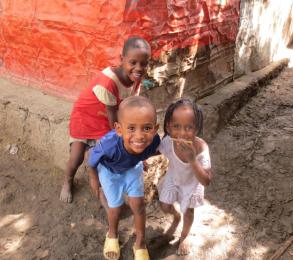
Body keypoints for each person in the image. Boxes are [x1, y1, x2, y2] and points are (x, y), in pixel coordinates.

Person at [59, 36, 151, 203]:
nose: (139, 68)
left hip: (104, 119)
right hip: (85, 119)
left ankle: (103, 182)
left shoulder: (136, 78)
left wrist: (138, 154)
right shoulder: (108, 83)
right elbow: (113, 122)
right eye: (133, 62)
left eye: (143, 64)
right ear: (122, 59)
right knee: (77, 156)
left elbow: (128, 109)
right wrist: (127, 144)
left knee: (105, 152)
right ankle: (68, 180)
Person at [88, 96, 160, 260]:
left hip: (132, 169)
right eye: (132, 128)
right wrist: (94, 179)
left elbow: (148, 149)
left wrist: (142, 158)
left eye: (147, 128)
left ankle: (140, 243)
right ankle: (112, 234)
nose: (140, 135)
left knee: (139, 206)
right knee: (115, 208)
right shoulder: (109, 145)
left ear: (155, 129)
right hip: (109, 172)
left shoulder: (154, 140)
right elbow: (92, 160)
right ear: (119, 129)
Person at [156, 99, 212, 255]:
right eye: (176, 127)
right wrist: (138, 158)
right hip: (173, 179)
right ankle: (176, 215)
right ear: (168, 127)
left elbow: (206, 180)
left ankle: (184, 236)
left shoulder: (201, 148)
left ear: (197, 128)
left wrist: (192, 159)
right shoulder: (168, 141)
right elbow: (154, 151)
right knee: (165, 206)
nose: (182, 133)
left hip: (192, 184)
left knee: (188, 212)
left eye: (189, 127)